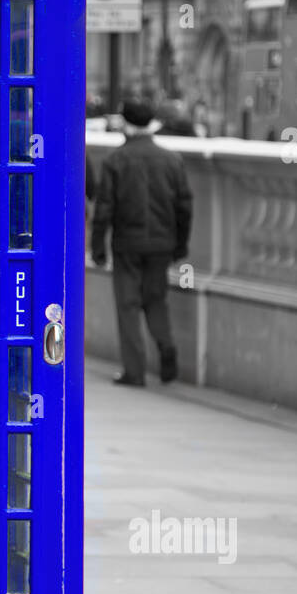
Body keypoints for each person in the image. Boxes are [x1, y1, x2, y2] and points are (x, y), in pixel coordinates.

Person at [91, 98, 193, 387]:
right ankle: (166, 347)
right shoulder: (172, 160)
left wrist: (98, 249)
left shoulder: (115, 161)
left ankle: (134, 372)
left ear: (126, 124)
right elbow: (185, 206)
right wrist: (180, 244)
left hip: (127, 244)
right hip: (162, 244)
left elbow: (104, 210)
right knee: (156, 300)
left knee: (128, 306)